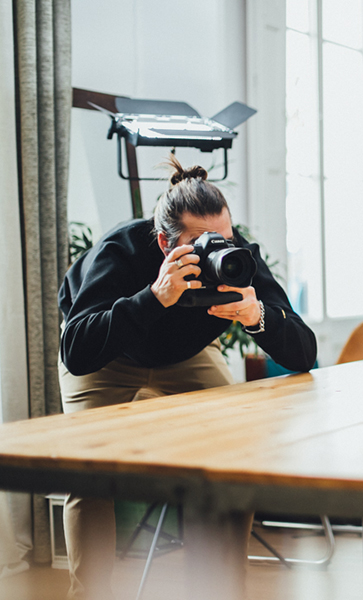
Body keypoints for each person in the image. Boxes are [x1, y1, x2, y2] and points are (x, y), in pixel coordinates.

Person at [58, 155, 317, 600]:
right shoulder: (121, 251)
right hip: (109, 353)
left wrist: (258, 318)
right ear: (164, 243)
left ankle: (218, 591)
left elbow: (304, 351)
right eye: (201, 242)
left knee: (230, 463)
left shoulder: (239, 259)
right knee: (88, 472)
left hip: (188, 355)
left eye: (225, 237)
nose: (218, 250)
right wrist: (154, 297)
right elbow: (77, 351)